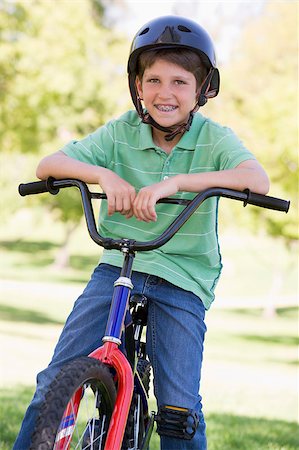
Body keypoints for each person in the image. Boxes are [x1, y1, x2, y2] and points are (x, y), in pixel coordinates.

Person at [14, 15, 269, 450]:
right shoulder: (121, 133)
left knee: (178, 409)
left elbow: (256, 180)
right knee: (55, 382)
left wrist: (176, 183)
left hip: (183, 277)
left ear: (203, 89)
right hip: (118, 264)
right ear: (137, 86)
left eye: (179, 82)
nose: (164, 93)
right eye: (152, 80)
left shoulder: (214, 139)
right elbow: (48, 166)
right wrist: (102, 175)